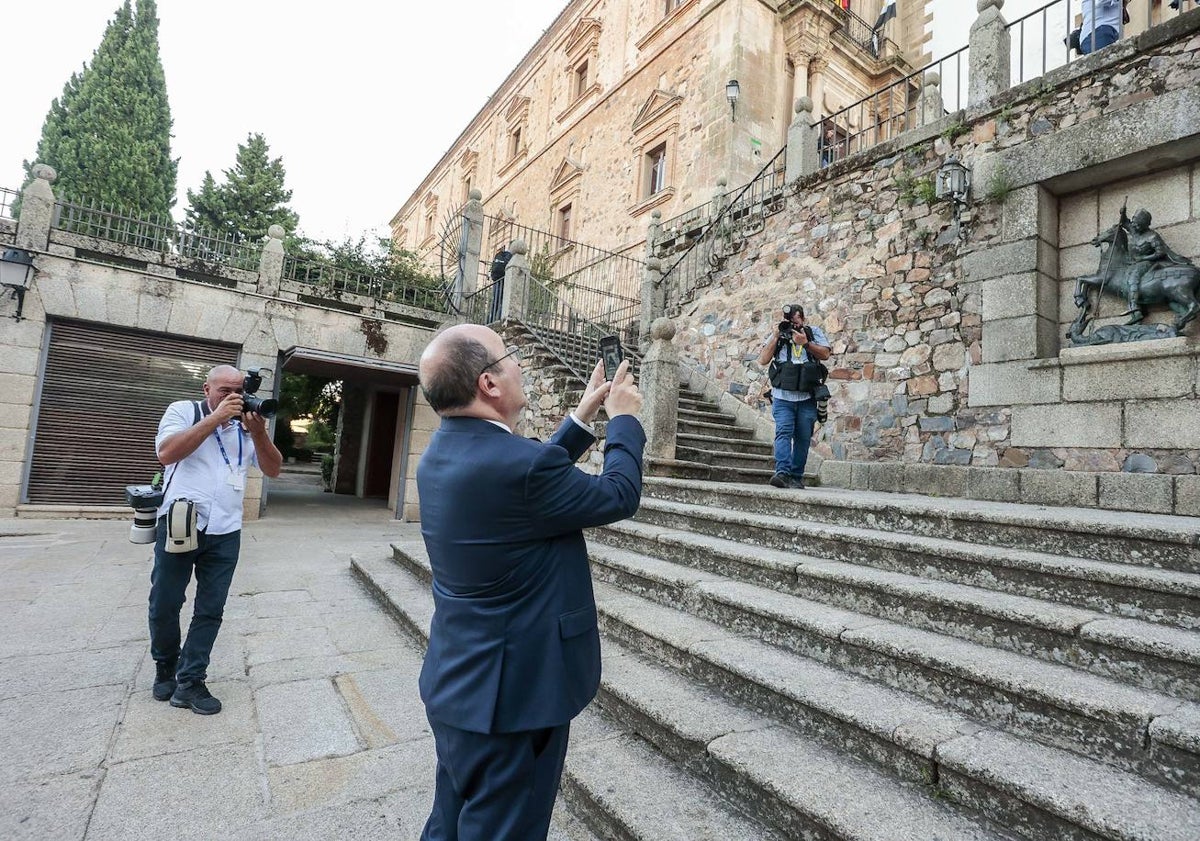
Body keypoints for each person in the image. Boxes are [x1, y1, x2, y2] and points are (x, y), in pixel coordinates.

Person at [415, 324, 645, 841]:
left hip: (461, 682)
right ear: (489, 384)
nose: (517, 364)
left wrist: (582, 416)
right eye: (509, 356)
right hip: (516, 697)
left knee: (451, 818)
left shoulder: (441, 453)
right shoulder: (519, 466)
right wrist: (625, 421)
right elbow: (617, 496)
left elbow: (526, 477)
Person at [148, 365, 283, 715]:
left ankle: (191, 680)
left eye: (239, 391)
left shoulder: (245, 426)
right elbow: (166, 453)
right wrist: (215, 419)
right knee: (165, 601)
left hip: (225, 531)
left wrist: (259, 435)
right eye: (225, 391)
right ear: (206, 388)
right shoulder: (184, 411)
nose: (234, 398)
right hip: (181, 523)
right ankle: (166, 665)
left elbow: (273, 469)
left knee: (210, 609)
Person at [757, 303, 831, 489]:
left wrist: (805, 343)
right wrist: (775, 336)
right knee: (783, 432)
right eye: (790, 322)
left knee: (803, 437)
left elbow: (825, 354)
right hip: (782, 396)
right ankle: (782, 473)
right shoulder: (779, 334)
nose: (793, 326)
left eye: (796, 321)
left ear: (803, 319)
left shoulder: (813, 332)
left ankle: (796, 476)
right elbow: (763, 359)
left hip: (807, 397)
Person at [1123, 208, 1191, 322]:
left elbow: (1160, 252)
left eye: (1139, 225)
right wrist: (1123, 213)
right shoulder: (1134, 229)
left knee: (1133, 278)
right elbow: (1125, 223)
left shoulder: (1152, 237)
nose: (1135, 227)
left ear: (1145, 225)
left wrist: (1143, 258)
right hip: (1133, 262)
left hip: (1147, 262)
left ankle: (1135, 308)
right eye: (1135, 224)